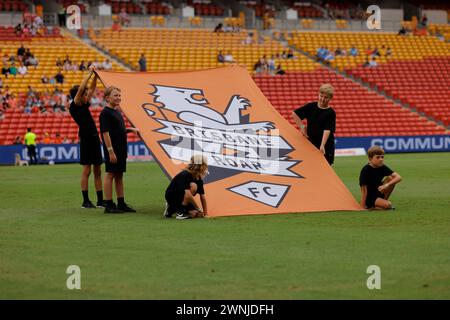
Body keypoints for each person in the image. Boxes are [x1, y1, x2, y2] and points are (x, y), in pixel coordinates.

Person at [69, 65, 105, 209]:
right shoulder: (75, 104)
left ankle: (100, 200)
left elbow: (92, 88)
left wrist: (95, 75)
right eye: (84, 94)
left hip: (94, 137)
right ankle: (85, 200)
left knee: (98, 170)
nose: (87, 96)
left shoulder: (84, 104)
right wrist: (89, 73)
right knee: (87, 170)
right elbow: (82, 88)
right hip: (86, 138)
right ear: (78, 95)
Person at [100, 86, 139, 214]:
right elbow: (105, 133)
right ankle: (109, 204)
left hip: (121, 148)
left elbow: (117, 130)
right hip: (113, 149)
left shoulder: (116, 111)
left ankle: (121, 203)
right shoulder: (105, 113)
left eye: (119, 95)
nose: (118, 98)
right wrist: (110, 151)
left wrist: (130, 130)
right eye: (115, 95)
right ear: (107, 98)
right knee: (110, 174)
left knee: (119, 175)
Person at [292, 84, 336, 165]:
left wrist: (322, 145)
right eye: (321, 96)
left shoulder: (331, 112)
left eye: (326, 97)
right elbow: (295, 114)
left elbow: (327, 130)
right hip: (311, 144)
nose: (322, 99)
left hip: (326, 145)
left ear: (330, 98)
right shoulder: (311, 106)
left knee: (325, 169)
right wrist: (302, 127)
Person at [164, 154, 208, 220]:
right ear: (201, 166)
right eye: (205, 165)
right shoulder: (185, 174)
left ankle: (171, 210)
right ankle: (180, 213)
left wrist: (205, 214)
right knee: (194, 186)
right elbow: (187, 194)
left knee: (195, 214)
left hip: (182, 197)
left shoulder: (198, 178)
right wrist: (197, 208)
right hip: (171, 196)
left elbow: (202, 197)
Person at [359, 146, 402, 210]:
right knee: (388, 204)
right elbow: (363, 189)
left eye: (382, 157)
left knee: (391, 178)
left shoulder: (382, 166)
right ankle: (372, 206)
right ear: (370, 159)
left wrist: (386, 185)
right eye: (378, 157)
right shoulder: (366, 169)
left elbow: (399, 177)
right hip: (370, 197)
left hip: (378, 192)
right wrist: (362, 207)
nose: (381, 159)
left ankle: (380, 204)